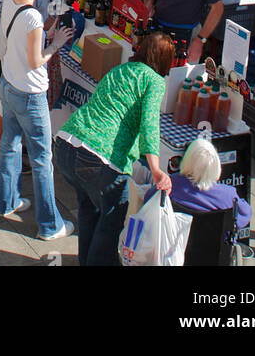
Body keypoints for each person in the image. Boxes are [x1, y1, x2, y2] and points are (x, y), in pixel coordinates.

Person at [55, 30, 175, 267]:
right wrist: (157, 169)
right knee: (111, 221)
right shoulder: (154, 80)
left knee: (89, 208)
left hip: (67, 144)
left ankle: (86, 261)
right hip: (103, 158)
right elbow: (149, 124)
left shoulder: (119, 70)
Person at [0, 0, 74, 242]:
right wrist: (56, 43)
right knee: (42, 160)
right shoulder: (34, 16)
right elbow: (36, 59)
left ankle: (6, 202)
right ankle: (50, 225)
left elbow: (21, 36)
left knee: (9, 145)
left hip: (8, 84)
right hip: (30, 94)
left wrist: (46, 33)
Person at [0, 0, 84, 164]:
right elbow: (35, 38)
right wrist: (53, 36)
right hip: (21, 55)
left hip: (12, 48)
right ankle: (3, 153)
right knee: (13, 109)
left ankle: (6, 151)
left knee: (8, 106)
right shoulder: (31, 3)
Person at [168, 137, 252, 229]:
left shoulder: (170, 184)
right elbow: (245, 215)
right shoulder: (228, 195)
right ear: (216, 165)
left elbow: (151, 202)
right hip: (215, 242)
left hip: (178, 241)